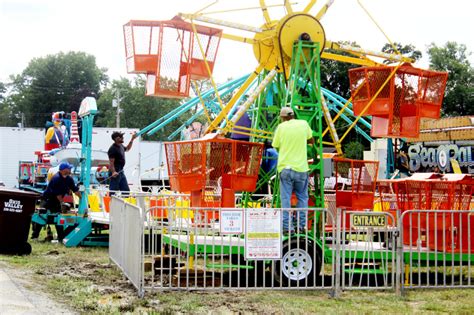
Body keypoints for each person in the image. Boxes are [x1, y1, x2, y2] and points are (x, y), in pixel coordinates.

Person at [272, 107, 314, 233]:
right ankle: (301, 227)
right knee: (302, 198)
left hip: (285, 168)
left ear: (283, 117)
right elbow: (311, 140)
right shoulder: (304, 124)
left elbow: (275, 146)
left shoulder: (281, 127)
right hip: (301, 168)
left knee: (286, 199)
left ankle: (287, 227)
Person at [32, 162, 81, 241]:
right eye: (69, 168)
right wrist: (62, 203)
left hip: (57, 201)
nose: (70, 170)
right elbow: (57, 193)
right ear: (64, 170)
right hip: (47, 200)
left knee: (59, 218)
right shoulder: (56, 178)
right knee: (41, 217)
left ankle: (61, 237)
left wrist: (81, 198)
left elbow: (75, 189)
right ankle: (35, 236)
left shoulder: (69, 179)